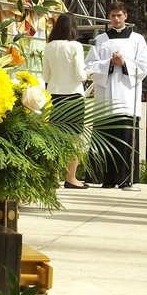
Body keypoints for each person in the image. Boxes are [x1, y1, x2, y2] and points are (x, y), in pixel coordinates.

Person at [85, 1, 147, 187]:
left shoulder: (137, 39)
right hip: (105, 96)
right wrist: (109, 63)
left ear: (126, 16)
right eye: (113, 15)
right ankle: (106, 179)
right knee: (106, 139)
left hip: (126, 95)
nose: (116, 19)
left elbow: (146, 64)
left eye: (119, 15)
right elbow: (89, 66)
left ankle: (125, 179)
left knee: (125, 138)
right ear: (109, 17)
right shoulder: (100, 40)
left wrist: (123, 63)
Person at [43, 13, 89, 189]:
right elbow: (80, 74)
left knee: (55, 137)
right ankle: (71, 177)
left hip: (54, 95)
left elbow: (45, 75)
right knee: (74, 138)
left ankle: (53, 176)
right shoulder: (75, 46)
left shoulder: (49, 46)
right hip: (73, 96)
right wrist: (87, 74)